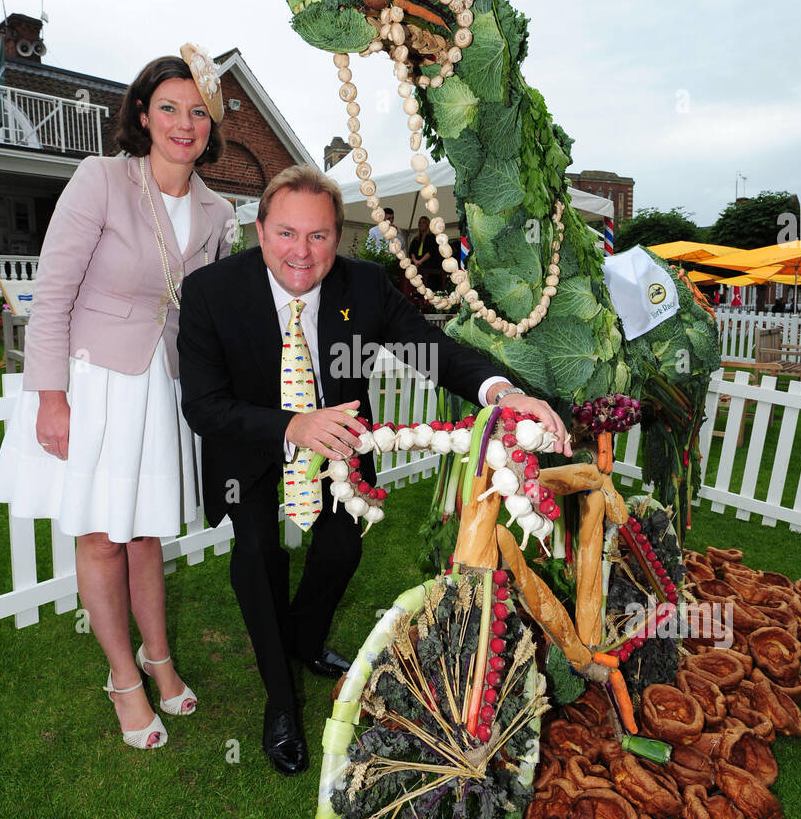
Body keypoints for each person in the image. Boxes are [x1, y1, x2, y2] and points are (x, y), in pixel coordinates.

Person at [177, 166, 571, 776]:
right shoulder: (210, 291)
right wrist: (291, 425)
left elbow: (429, 348)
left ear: (339, 237)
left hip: (340, 450)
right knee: (257, 556)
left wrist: (498, 390)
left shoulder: (364, 286)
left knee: (339, 551)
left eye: (319, 236)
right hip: (251, 447)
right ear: (259, 231)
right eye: (286, 234)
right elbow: (203, 405)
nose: (302, 253)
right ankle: (280, 702)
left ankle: (303, 645)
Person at [0, 48, 235, 750]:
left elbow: (205, 314)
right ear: (141, 113)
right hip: (91, 380)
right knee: (100, 537)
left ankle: (159, 658)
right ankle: (123, 677)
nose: (183, 123)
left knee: (145, 534)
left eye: (196, 111)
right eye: (168, 107)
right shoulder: (101, 179)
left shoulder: (217, 211)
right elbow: (54, 292)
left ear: (210, 123)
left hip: (158, 386)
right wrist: (50, 397)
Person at [408, 213, 444, 293]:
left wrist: (420, 261)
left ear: (428, 224)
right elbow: (411, 251)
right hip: (418, 265)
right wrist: (415, 261)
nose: (421, 224)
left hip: (430, 266)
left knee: (429, 287)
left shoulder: (431, 237)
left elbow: (431, 252)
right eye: (420, 223)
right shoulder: (416, 238)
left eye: (423, 222)